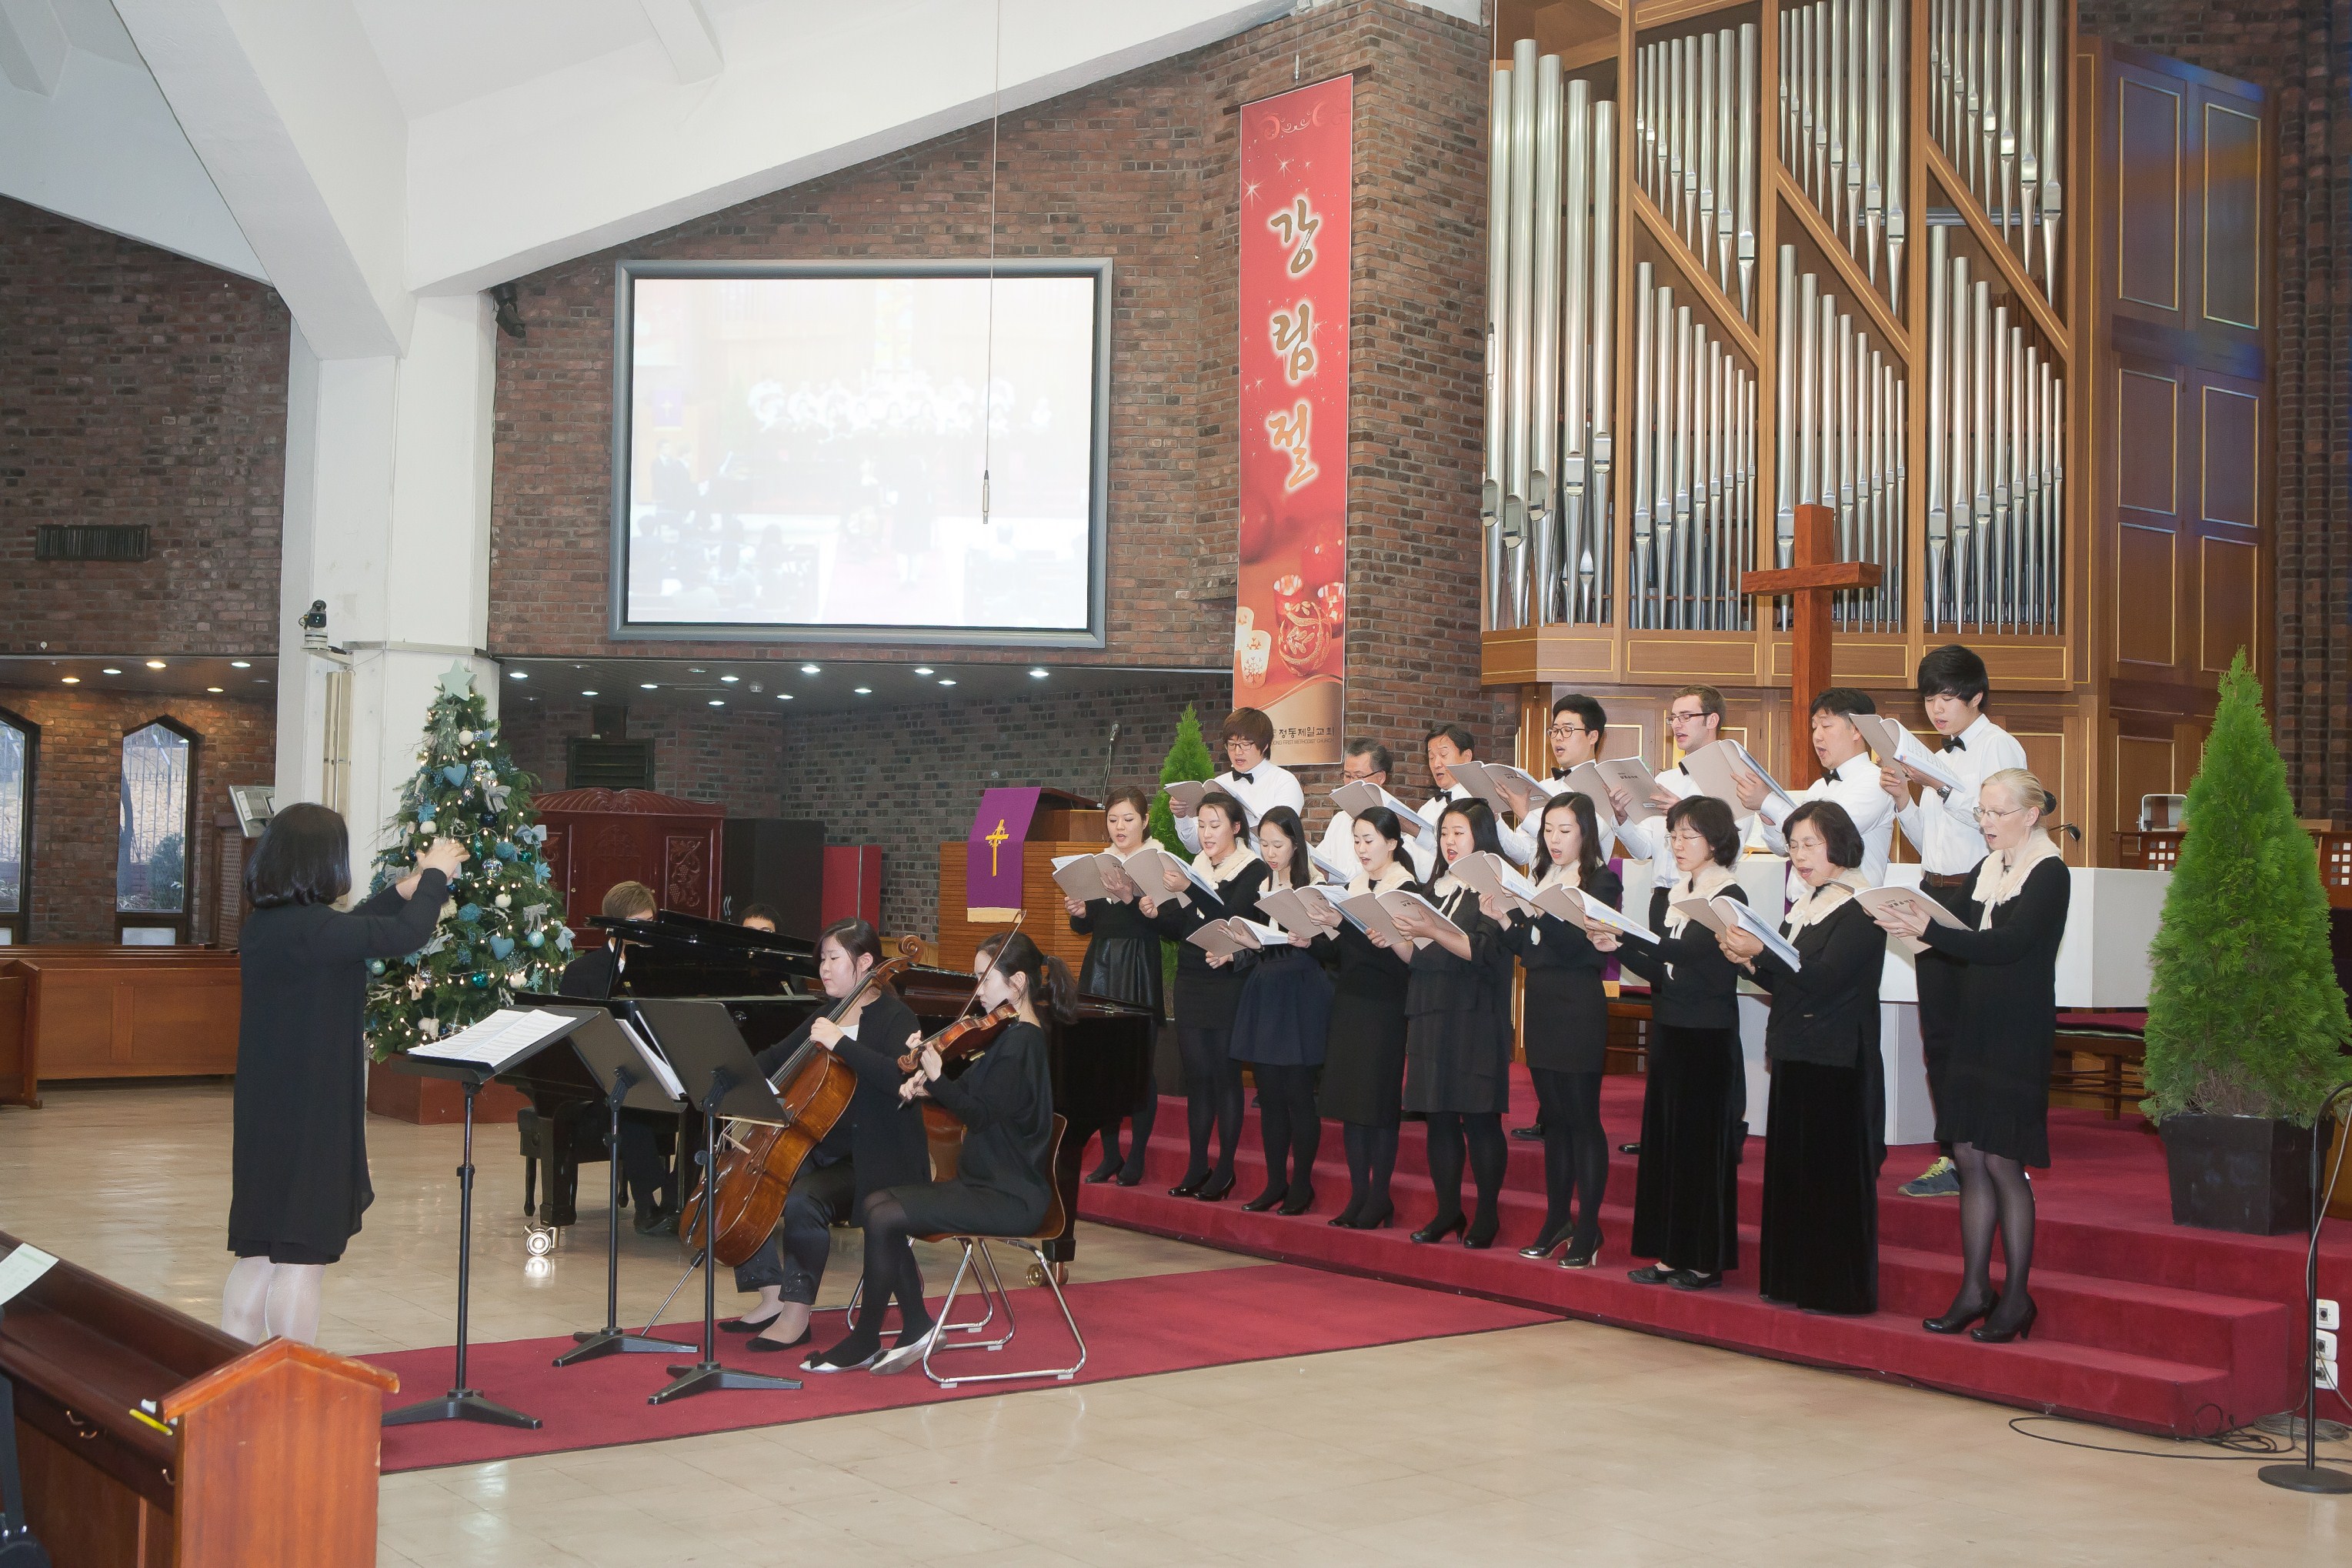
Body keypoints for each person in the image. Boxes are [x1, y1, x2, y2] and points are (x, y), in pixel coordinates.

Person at [222, 805, 467, 1343]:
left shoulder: (267, 925)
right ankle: (296, 1380)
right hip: (313, 1110)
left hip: (265, 1110)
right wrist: (434, 875)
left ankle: (232, 1373)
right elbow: (404, 936)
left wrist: (402, 890)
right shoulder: (316, 930)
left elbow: (353, 929)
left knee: (260, 1250)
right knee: (303, 1258)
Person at [812, 931, 1069, 1376]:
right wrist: (922, 1086)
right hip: (984, 1185)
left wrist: (936, 1076)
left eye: (985, 978)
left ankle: (870, 1338)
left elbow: (979, 1114)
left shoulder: (1023, 1044)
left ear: (1018, 982)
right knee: (877, 1204)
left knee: (883, 1213)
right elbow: (966, 1093)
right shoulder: (1007, 1037)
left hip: (1009, 1196)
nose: (978, 989)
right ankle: (906, 1328)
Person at [1873, 768, 2070, 1345]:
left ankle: (2017, 1297)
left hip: (2016, 1028)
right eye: (1982, 811)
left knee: (2003, 1159)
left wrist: (1931, 931)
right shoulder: (1989, 866)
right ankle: (1974, 1289)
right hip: (1975, 1022)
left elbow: (2008, 944)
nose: (1984, 822)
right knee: (1967, 1154)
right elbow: (1950, 926)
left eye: (1996, 813)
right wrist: (1904, 919)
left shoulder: (2049, 871)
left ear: (2029, 815)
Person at [728, 919, 929, 1353]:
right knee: (750, 1178)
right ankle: (770, 1292)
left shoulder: (896, 1017)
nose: (823, 968)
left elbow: (897, 1078)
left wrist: (841, 1043)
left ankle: (797, 1314)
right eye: (822, 959)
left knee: (803, 1199)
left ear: (866, 962)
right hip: (829, 1150)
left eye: (834, 958)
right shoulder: (827, 1014)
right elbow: (775, 1058)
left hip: (879, 1159)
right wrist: (729, 1078)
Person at [1718, 801, 1887, 1315]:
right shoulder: (1807, 904)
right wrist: (1748, 962)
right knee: (1793, 1173)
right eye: (1793, 845)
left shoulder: (1861, 906)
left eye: (1810, 844)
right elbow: (1788, 977)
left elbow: (1826, 978)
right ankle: (1791, 1279)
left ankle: (1833, 1287)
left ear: (1839, 844)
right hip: (1797, 1049)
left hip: (1838, 1056)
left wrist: (1762, 953)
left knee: (1829, 1178)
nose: (1800, 854)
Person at [1878, 644, 2029, 1199]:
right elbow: (1931, 843)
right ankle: (1952, 1153)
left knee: (1978, 1033)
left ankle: (1992, 1153)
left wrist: (1939, 784)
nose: (1936, 709)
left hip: (1979, 893)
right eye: (1929, 699)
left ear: (1976, 697)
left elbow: (1999, 824)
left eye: (1946, 697)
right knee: (1939, 1031)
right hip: (1935, 889)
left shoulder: (1998, 746)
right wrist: (1904, 799)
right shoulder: (1940, 757)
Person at [1588, 794, 1747, 1290]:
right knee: (1667, 1146)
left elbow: (1691, 954)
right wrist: (1619, 946)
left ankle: (1703, 1260)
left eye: (1688, 836)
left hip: (1707, 1038)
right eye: (1673, 835)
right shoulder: (1679, 893)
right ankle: (1670, 1253)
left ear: (1715, 842)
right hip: (1673, 1030)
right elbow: (1663, 971)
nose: (1677, 844)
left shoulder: (1728, 895)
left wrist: (1625, 933)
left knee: (1700, 1150)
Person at [1485, 791, 1620, 1267]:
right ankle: (1558, 1219)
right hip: (1541, 1006)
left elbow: (1578, 946)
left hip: (1578, 1005)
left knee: (1582, 1119)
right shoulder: (1541, 880)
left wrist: (1539, 911)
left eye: (1565, 830)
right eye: (1548, 830)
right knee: (1556, 1122)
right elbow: (1530, 948)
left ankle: (1589, 1228)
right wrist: (1505, 918)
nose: (1555, 839)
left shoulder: (1600, 881)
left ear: (1585, 834)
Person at [1376, 799, 1514, 1248]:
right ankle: (1448, 1210)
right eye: (1444, 834)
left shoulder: (1495, 887)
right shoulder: (1432, 888)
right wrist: (1392, 937)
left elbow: (1483, 951)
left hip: (1476, 1015)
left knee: (1480, 1118)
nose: (1449, 842)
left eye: (1459, 833)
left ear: (1481, 836)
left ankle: (1488, 1215)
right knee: (1438, 1117)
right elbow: (1417, 957)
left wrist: (1433, 931)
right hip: (1430, 1008)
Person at [1141, 789, 1270, 1199]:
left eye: (1215, 825)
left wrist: (1190, 889)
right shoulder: (1195, 866)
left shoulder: (1253, 870)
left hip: (1227, 982)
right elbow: (1182, 927)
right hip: (1192, 980)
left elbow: (1230, 920)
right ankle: (1198, 1164)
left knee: (1224, 1077)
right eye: (1201, 825)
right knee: (1197, 1078)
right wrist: (1154, 914)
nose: (1207, 833)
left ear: (1236, 827)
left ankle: (1226, 1168)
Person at [1294, 806, 1419, 1229]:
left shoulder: (1406, 889)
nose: (1362, 848)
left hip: (1384, 1007)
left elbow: (1401, 961)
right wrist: (1312, 938)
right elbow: (1340, 954)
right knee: (1350, 1104)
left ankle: (1379, 1198)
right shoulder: (1353, 887)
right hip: (1349, 1003)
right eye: (1357, 840)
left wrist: (1343, 924)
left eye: (1369, 840)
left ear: (1392, 843)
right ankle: (1358, 1195)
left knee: (1377, 1105)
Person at [1229, 806, 1336, 1214]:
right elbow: (1261, 940)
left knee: (1298, 1095)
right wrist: (1244, 944)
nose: (1270, 853)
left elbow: (1332, 950)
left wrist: (1311, 939)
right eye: (1264, 845)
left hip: (1301, 990)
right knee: (1270, 1096)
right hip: (1266, 988)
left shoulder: (1315, 885)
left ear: (1296, 844)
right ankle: (1275, 1182)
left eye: (1278, 845)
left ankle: (1302, 1185)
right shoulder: (1262, 883)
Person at [559, 880, 679, 1233]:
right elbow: (572, 1040)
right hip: (601, 1085)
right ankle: (648, 1205)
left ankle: (679, 1196)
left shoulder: (664, 968)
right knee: (631, 1105)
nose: (645, 932)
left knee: (707, 1105)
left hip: (660, 1074)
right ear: (614, 925)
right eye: (636, 924)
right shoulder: (582, 972)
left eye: (649, 923)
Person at [1064, 785, 1163, 1184]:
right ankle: (1110, 1155)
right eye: (1113, 819)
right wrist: (1079, 912)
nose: (1120, 827)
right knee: (1102, 1065)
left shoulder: (1157, 861)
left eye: (1128, 819)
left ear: (1145, 821)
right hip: (1101, 964)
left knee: (1138, 1067)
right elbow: (1088, 926)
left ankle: (1136, 1157)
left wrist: (1128, 897)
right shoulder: (1099, 862)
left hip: (1138, 964)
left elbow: (1163, 926)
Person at [1733, 687, 1896, 893]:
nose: (1817, 736)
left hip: (1850, 904)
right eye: (1814, 727)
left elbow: (1826, 834)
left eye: (1826, 726)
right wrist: (1766, 814)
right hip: (1806, 904)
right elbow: (1784, 848)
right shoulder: (1819, 787)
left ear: (1857, 730)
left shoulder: (1876, 783)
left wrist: (1768, 801)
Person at [1172, 707, 1305, 853]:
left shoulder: (1285, 782)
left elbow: (1280, 838)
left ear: (1265, 746)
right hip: (1222, 866)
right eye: (1231, 744)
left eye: (1245, 745)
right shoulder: (1219, 784)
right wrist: (1181, 817)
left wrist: (1238, 816)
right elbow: (1195, 846)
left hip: (1265, 866)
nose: (1237, 752)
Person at [1415, 723, 1534, 876]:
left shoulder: (1479, 801)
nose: (1436, 764)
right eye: (1431, 757)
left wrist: (1495, 820)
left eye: (1443, 755)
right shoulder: (1426, 808)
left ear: (1466, 757)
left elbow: (1518, 853)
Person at [1316, 739, 1415, 878]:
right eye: (1347, 776)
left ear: (1381, 777)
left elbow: (1389, 865)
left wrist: (1336, 876)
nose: (1351, 783)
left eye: (1359, 776)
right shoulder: (1340, 819)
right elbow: (1322, 859)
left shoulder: (1399, 820)